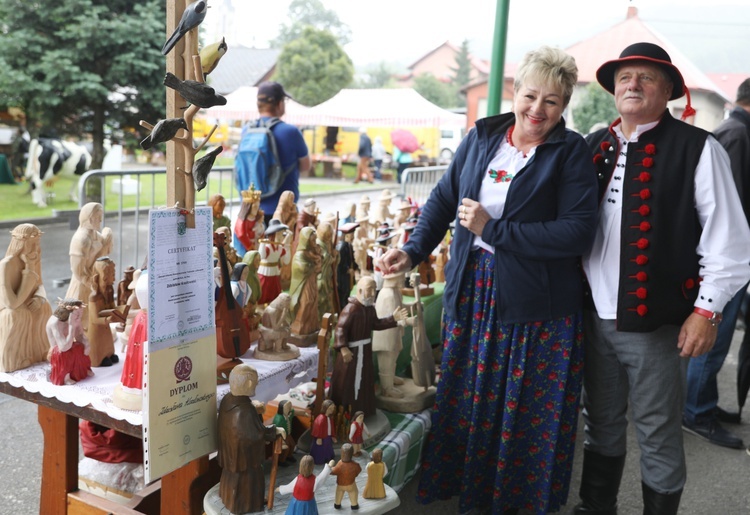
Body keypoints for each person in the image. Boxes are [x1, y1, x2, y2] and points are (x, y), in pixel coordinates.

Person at [380, 46, 597, 514]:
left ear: (565, 107)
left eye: (553, 102)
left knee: (523, 406)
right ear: (515, 92)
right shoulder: (483, 137)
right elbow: (443, 198)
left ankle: (514, 499)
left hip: (536, 303)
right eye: (531, 96)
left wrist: (493, 230)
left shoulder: (569, 151)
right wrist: (413, 249)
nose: (538, 110)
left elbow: (577, 231)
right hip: (475, 288)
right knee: (472, 394)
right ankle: (474, 492)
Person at [578, 43, 750, 514]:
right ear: (614, 89)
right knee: (601, 422)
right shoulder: (594, 145)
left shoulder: (699, 148)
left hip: (655, 323)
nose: (632, 84)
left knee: (657, 429)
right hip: (591, 316)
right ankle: (597, 507)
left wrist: (706, 311)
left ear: (669, 90)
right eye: (625, 77)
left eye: (646, 77)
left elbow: (729, 241)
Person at [682, 77, 750, 449]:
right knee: (714, 337)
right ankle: (697, 412)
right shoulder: (738, 133)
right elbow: (731, 214)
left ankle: (700, 405)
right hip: (727, 258)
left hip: (729, 256)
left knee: (714, 338)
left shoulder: (732, 129)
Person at [330, 276, 410, 418]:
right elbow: (340, 329)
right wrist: (343, 348)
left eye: (374, 289)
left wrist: (393, 319)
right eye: (369, 290)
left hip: (365, 351)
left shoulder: (370, 310)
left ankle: (363, 411)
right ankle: (346, 415)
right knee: (347, 382)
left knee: (364, 381)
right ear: (360, 291)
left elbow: (376, 324)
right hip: (351, 353)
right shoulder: (350, 310)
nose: (373, 293)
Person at [217, 364, 285, 514]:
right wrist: (274, 431)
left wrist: (253, 408)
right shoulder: (245, 411)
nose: (257, 384)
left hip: (231, 458)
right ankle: (245, 506)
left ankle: (228, 499)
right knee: (248, 484)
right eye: (255, 381)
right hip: (244, 462)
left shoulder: (227, 400)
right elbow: (255, 434)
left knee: (231, 481)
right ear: (248, 383)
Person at [0, 224, 52, 373]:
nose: (36, 248)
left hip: (25, 301)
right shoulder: (6, 265)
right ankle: (16, 357)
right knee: (16, 314)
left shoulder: (34, 259)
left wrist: (39, 297)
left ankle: (39, 350)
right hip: (9, 307)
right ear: (20, 243)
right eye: (32, 244)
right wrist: (29, 269)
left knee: (44, 306)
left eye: (38, 243)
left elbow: (40, 285)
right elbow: (12, 303)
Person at [255, 81, 310, 222]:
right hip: (283, 212)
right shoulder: (291, 132)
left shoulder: (247, 130)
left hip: (252, 210)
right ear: (279, 103)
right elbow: (306, 166)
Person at [330, 443, 362, 510]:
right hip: (351, 484)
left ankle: (337, 504)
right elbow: (359, 470)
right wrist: (354, 475)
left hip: (340, 484)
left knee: (339, 493)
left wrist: (330, 468)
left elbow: (333, 471)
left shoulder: (340, 464)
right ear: (351, 454)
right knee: (353, 493)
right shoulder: (355, 465)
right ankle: (354, 505)